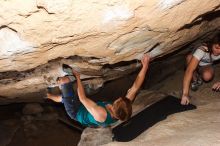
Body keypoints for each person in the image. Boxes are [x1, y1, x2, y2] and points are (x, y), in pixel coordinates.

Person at [47, 54, 151, 127]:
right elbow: (136, 87)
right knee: (64, 98)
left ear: (115, 108)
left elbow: (82, 98)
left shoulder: (101, 114)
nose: (119, 98)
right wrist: (145, 66)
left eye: (117, 100)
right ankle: (55, 96)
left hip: (76, 111)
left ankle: (51, 91)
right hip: (86, 107)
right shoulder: (124, 107)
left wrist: (78, 77)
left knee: (65, 81)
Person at [181, 32, 220, 105]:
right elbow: (189, 70)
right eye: (216, 48)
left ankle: (200, 76)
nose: (218, 51)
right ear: (212, 44)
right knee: (189, 57)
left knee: (207, 76)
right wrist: (185, 94)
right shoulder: (202, 50)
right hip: (195, 62)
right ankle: (195, 79)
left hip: (206, 65)